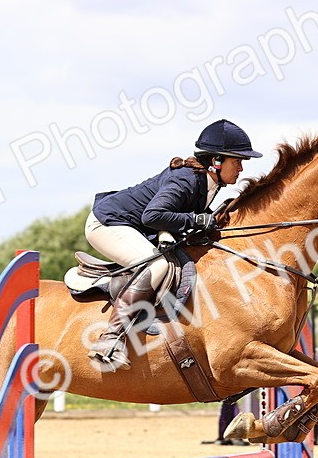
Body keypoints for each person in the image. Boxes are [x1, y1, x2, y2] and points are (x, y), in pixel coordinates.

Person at [84, 119, 263, 370]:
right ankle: (110, 339)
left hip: (136, 226)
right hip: (108, 224)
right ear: (216, 162)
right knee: (156, 266)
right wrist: (196, 219)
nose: (242, 168)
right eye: (238, 161)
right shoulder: (187, 180)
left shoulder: (209, 183)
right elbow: (152, 216)